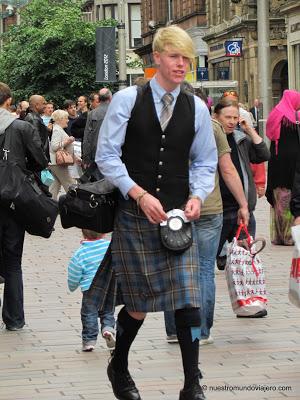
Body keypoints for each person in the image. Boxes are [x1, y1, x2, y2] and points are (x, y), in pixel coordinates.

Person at [95, 26, 217, 400]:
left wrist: (197, 195)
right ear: (157, 58)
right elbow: (107, 155)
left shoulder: (196, 106)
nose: (182, 64)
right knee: (138, 305)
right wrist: (138, 193)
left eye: (187, 59)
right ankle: (119, 366)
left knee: (189, 301)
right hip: (135, 216)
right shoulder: (127, 100)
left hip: (179, 219)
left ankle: (191, 383)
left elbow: (204, 161)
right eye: (176, 57)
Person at [164, 116, 249, 345]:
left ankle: (174, 330)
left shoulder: (162, 121)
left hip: (173, 209)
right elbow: (227, 169)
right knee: (203, 270)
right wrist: (243, 204)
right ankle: (201, 332)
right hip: (208, 207)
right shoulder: (211, 127)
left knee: (174, 267)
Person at [0, 82, 48, 330]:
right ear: (8, 101)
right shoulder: (21, 127)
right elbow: (40, 160)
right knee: (12, 261)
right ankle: (14, 318)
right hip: (13, 200)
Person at [214, 98, 270, 280]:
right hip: (218, 207)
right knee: (211, 258)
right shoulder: (208, 138)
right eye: (227, 117)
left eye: (235, 117)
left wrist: (249, 129)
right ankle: (222, 256)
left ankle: (249, 300)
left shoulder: (240, 139)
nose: (231, 121)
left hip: (242, 208)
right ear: (216, 117)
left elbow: (263, 154)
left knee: (246, 257)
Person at [68, 229, 115, 352]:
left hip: (90, 289)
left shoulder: (80, 253)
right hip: (108, 287)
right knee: (108, 311)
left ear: (83, 233)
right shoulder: (109, 247)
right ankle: (108, 329)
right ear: (104, 232)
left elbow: (74, 272)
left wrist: (72, 286)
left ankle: (89, 341)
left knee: (89, 314)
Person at [266, 89, 300, 246]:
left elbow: (270, 134)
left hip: (276, 162)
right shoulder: (295, 117)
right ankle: (288, 236)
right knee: (288, 199)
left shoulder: (275, 113)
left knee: (279, 200)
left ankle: (280, 236)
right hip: (292, 164)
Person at [48, 109, 77, 200]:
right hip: (58, 163)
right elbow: (54, 146)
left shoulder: (58, 129)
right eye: (66, 118)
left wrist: (76, 158)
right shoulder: (57, 130)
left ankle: (50, 205)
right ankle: (74, 204)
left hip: (55, 163)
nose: (68, 120)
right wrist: (68, 141)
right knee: (70, 185)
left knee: (55, 185)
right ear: (60, 119)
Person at [82, 88, 112, 168]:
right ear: (110, 98)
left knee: (98, 179)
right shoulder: (117, 112)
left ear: (99, 99)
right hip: (114, 154)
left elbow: (87, 137)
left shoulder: (92, 114)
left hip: (96, 155)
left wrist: (86, 158)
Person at [25, 95, 50, 161]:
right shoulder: (33, 119)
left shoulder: (35, 118)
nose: (45, 106)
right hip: (37, 162)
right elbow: (36, 142)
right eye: (44, 103)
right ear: (37, 105)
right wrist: (43, 160)